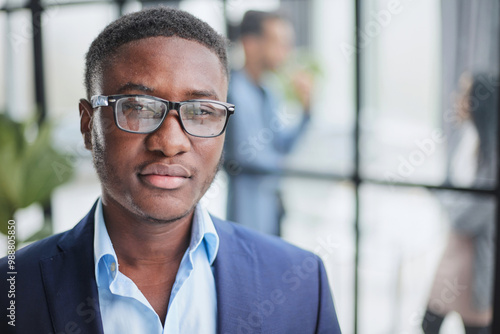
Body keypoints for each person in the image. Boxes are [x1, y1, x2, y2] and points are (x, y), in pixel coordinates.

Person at [0, 7, 341, 334]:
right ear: (89, 125)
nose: (170, 141)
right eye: (137, 107)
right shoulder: (12, 290)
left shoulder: (301, 282)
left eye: (201, 111)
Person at [224, 10, 313, 235]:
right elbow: (248, 156)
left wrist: (307, 110)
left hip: (272, 210)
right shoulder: (231, 91)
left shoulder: (270, 92)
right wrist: (288, 166)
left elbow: (282, 144)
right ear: (250, 44)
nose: (286, 52)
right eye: (279, 43)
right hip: (245, 214)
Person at [422, 73, 497, 334]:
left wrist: (444, 199)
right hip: (454, 246)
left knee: (474, 327)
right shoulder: (467, 138)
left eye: (464, 93)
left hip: (475, 254)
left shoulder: (492, 150)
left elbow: (469, 214)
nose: (457, 99)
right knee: (429, 321)